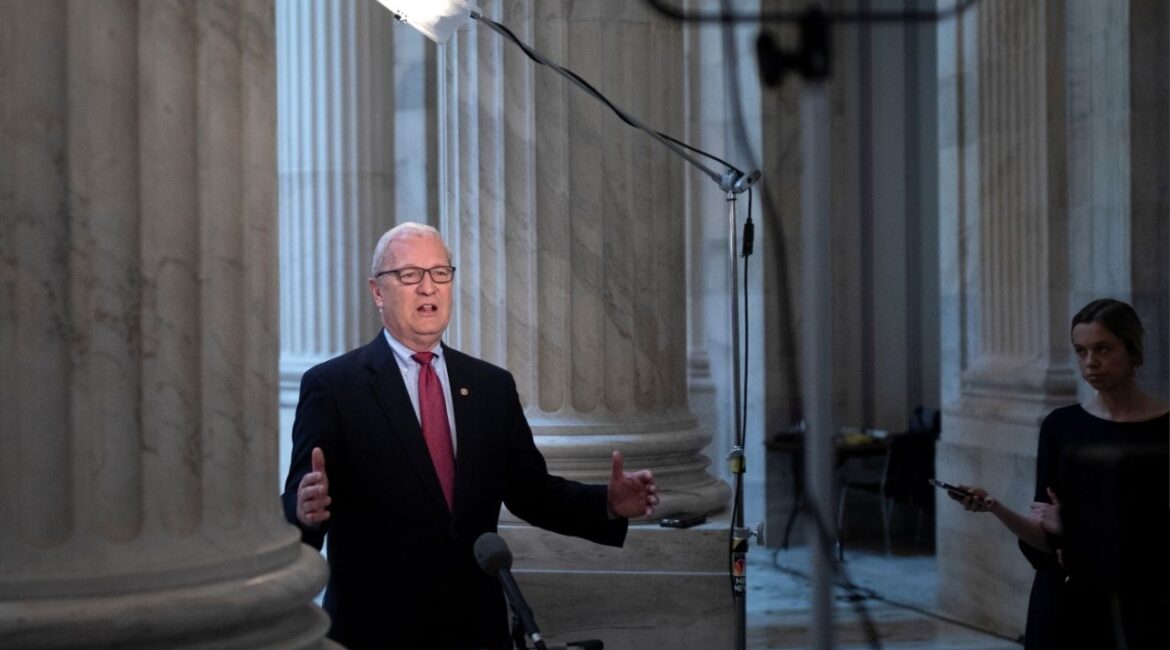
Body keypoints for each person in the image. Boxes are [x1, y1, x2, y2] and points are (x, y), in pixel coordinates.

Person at [282, 222, 659, 649]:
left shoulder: (490, 386)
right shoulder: (334, 386)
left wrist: (607, 504)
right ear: (377, 292)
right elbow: (303, 501)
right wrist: (303, 512)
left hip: (474, 628)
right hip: (377, 629)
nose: (428, 287)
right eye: (410, 274)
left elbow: (531, 492)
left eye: (440, 273)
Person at [949, 298, 1168, 649]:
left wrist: (1075, 526)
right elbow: (1046, 541)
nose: (1090, 362)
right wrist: (995, 506)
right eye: (1080, 351)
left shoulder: (1162, 429)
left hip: (1142, 603)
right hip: (1066, 600)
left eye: (1103, 349)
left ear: (1132, 350)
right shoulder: (1061, 427)